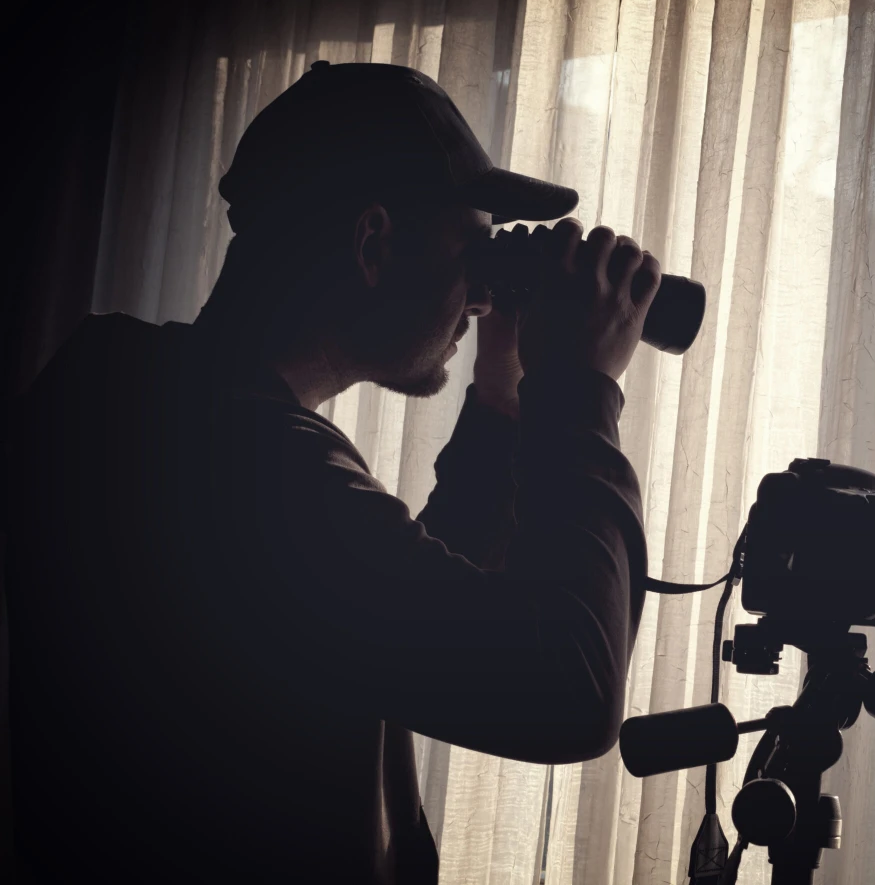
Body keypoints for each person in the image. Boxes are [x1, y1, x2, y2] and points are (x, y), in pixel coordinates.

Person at [3, 61, 660, 884]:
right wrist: (580, 389)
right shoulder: (242, 458)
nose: (484, 297)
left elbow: (406, 616)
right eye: (474, 251)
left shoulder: (141, 403)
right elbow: (568, 685)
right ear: (373, 242)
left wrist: (502, 403)